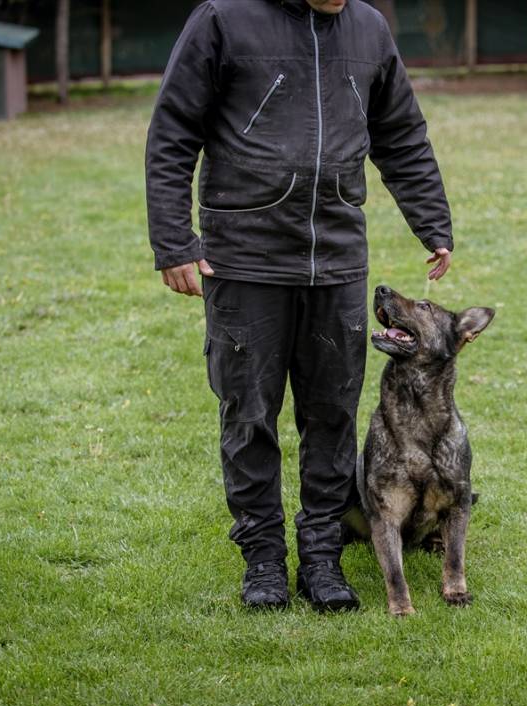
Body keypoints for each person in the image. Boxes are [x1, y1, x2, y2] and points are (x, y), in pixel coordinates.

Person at [144, 0, 453, 611]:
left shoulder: (368, 28)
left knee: (332, 415)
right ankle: (262, 560)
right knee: (249, 413)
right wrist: (173, 241)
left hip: (337, 260)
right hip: (244, 256)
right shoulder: (222, 19)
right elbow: (173, 130)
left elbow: (400, 134)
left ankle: (321, 560)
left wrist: (433, 221)